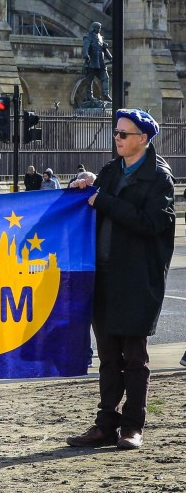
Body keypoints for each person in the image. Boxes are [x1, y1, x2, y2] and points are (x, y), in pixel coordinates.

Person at [66, 109, 175, 450]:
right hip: (104, 275)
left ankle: (132, 426)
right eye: (116, 133)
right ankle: (105, 425)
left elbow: (151, 223)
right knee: (108, 356)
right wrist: (85, 184)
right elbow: (94, 197)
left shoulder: (159, 177)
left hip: (137, 278)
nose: (117, 138)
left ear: (143, 138)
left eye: (124, 134)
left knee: (135, 357)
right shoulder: (112, 170)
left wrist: (105, 201)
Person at [82, 21, 112, 102]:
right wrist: (86, 55)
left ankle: (105, 94)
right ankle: (89, 96)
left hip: (100, 62)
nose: (99, 30)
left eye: (100, 28)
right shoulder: (88, 37)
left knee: (105, 78)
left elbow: (104, 49)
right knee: (89, 80)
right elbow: (85, 48)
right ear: (94, 28)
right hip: (91, 62)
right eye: (98, 28)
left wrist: (110, 58)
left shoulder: (100, 38)